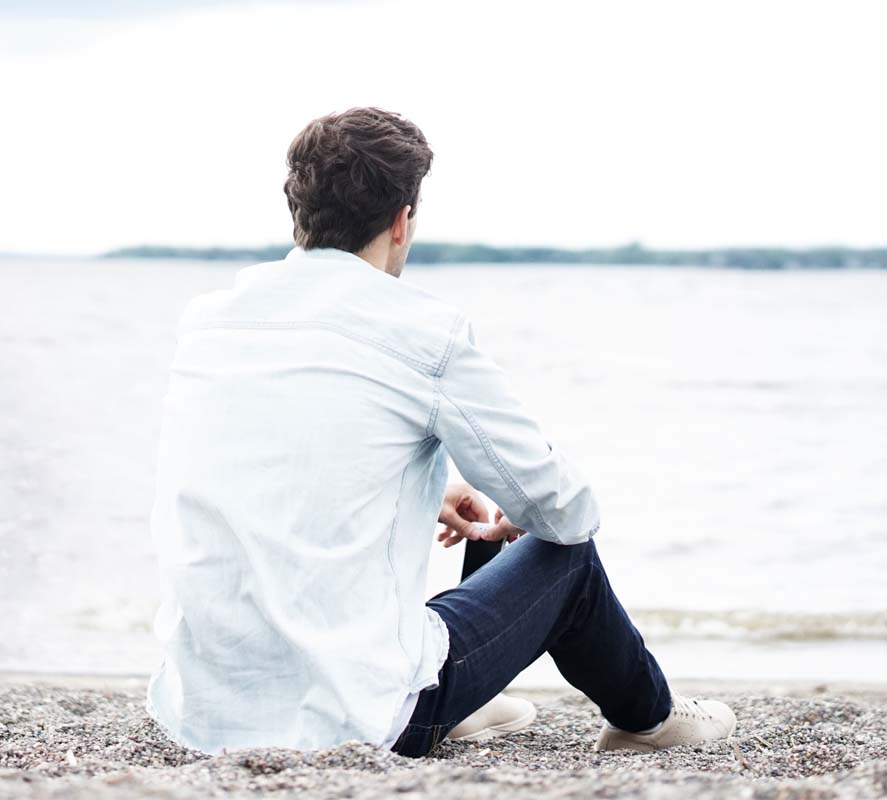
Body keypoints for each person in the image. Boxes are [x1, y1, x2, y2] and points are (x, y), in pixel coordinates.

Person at [145, 106, 736, 759]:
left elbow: (277, 464)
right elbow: (565, 510)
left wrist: (426, 486)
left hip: (202, 710)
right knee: (567, 557)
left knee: (496, 517)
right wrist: (522, 506)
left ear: (299, 212)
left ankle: (473, 699)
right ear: (402, 222)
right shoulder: (422, 332)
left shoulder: (210, 321)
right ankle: (648, 721)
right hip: (360, 715)